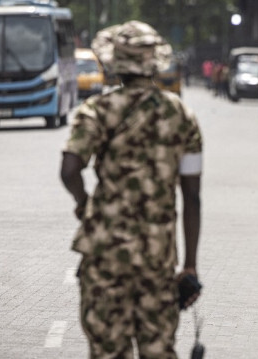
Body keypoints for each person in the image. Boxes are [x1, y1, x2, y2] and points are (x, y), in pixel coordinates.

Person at [60, 21, 202, 358]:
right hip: (157, 261)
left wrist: (85, 204)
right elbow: (192, 196)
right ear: (154, 62)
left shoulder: (97, 110)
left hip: (104, 259)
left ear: (116, 63)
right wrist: (190, 266)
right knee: (158, 350)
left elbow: (69, 170)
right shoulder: (181, 114)